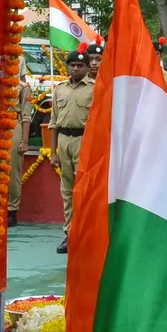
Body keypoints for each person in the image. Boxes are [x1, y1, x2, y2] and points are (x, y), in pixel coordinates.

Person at [49, 43, 94, 254]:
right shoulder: (60, 89)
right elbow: (53, 123)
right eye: (72, 65)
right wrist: (52, 152)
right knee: (66, 191)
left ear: (87, 67)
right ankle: (69, 233)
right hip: (64, 141)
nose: (75, 69)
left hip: (84, 141)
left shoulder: (94, 89)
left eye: (79, 65)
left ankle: (86, 235)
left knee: (84, 191)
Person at [8, 74, 34, 227]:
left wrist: (24, 141)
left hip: (14, 124)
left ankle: (12, 210)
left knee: (13, 170)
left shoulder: (23, 87)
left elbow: (26, 115)